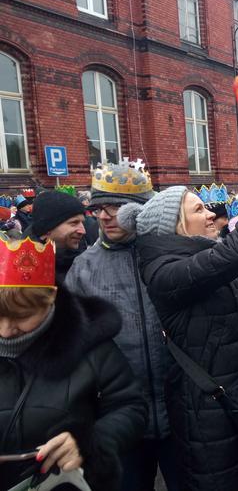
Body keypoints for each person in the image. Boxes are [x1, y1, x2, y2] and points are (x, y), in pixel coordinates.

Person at [118, 158, 238, 491]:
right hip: (207, 409)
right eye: (199, 210)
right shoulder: (164, 272)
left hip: (236, 392)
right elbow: (236, 253)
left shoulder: (198, 254)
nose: (212, 214)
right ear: (175, 225)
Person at [64, 161, 179, 491]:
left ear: (142, 209)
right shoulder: (84, 269)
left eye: (116, 206)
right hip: (121, 422)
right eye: (99, 207)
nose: (104, 216)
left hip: (182, 414)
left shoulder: (170, 256)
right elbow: (73, 347)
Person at [0, 236, 147, 491]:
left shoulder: (92, 346)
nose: (5, 330)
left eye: (22, 316)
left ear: (50, 299)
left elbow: (131, 408)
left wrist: (89, 441)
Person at [26, 190, 86, 282]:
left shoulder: (83, 261)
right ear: (47, 229)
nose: (83, 231)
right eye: (74, 223)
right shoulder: (24, 273)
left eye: (82, 223)